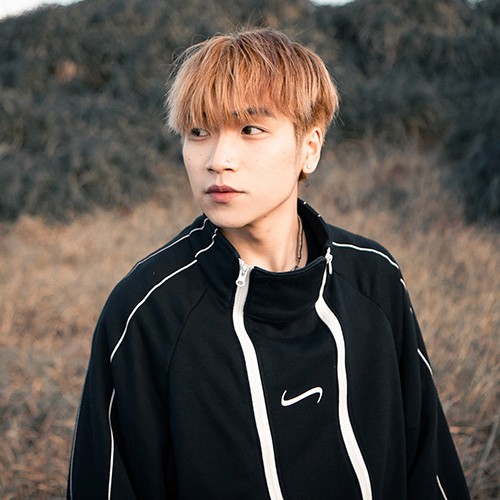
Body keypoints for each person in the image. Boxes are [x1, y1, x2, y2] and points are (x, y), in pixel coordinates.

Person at [67, 28, 470, 499]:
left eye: (250, 129)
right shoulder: (146, 313)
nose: (218, 159)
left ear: (309, 148)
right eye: (199, 132)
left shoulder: (374, 279)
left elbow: (429, 470)